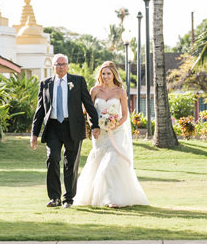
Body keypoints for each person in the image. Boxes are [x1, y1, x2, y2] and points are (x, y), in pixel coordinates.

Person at [74, 60, 148, 208]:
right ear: (100, 75)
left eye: (108, 73)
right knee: (98, 163)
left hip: (116, 132)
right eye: (103, 73)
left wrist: (114, 125)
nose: (106, 76)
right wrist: (93, 126)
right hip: (100, 134)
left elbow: (125, 115)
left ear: (114, 74)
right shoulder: (95, 90)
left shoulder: (120, 92)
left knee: (110, 164)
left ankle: (112, 198)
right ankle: (95, 197)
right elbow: (89, 112)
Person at [30, 53, 100, 208]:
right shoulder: (45, 84)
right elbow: (40, 110)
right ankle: (54, 198)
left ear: (67, 66)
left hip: (73, 127)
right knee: (52, 159)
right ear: (53, 67)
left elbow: (88, 105)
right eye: (57, 64)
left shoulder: (78, 81)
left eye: (63, 64)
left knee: (71, 163)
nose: (60, 67)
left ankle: (68, 198)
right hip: (53, 127)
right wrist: (34, 133)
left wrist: (95, 125)